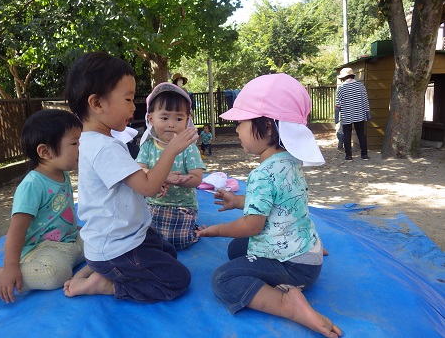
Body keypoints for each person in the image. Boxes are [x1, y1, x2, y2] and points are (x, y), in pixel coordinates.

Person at [196, 74, 343, 338]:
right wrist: (239, 201)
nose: (237, 129)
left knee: (223, 278)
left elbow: (253, 224)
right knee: (236, 250)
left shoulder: (262, 173)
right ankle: (311, 246)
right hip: (307, 257)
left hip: (293, 268)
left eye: (241, 122)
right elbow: (280, 204)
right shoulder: (291, 160)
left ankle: (287, 304)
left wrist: (215, 230)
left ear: (265, 126)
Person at [63, 52, 198, 302]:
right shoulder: (105, 147)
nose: (133, 107)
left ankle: (97, 266)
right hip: (117, 246)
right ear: (97, 103)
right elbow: (146, 187)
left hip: (125, 236)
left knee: (169, 253)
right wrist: (171, 149)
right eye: (128, 99)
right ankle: (107, 285)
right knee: (177, 280)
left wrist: (159, 180)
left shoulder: (99, 141)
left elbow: (133, 182)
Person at [0, 109, 85, 303]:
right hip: (40, 249)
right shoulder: (32, 185)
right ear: (45, 151)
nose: (81, 148)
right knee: (56, 273)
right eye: (74, 143)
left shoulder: (61, 173)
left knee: (99, 241)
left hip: (68, 242)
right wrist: (10, 266)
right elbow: (16, 230)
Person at [136, 83, 205, 250]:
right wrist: (162, 177)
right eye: (165, 118)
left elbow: (197, 178)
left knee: (178, 241)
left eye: (179, 118)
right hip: (152, 204)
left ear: (187, 120)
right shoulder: (148, 146)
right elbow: (139, 170)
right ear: (151, 119)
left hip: (182, 207)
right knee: (137, 236)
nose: (171, 124)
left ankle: (191, 229)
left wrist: (177, 181)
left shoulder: (189, 148)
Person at [335, 67, 371, 161]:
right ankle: (364, 155)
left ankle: (348, 156)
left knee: (347, 134)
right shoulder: (361, 86)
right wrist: (367, 113)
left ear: (343, 77)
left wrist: (336, 117)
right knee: (361, 134)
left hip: (346, 115)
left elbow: (338, 105)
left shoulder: (341, 88)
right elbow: (365, 101)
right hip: (359, 114)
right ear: (352, 75)